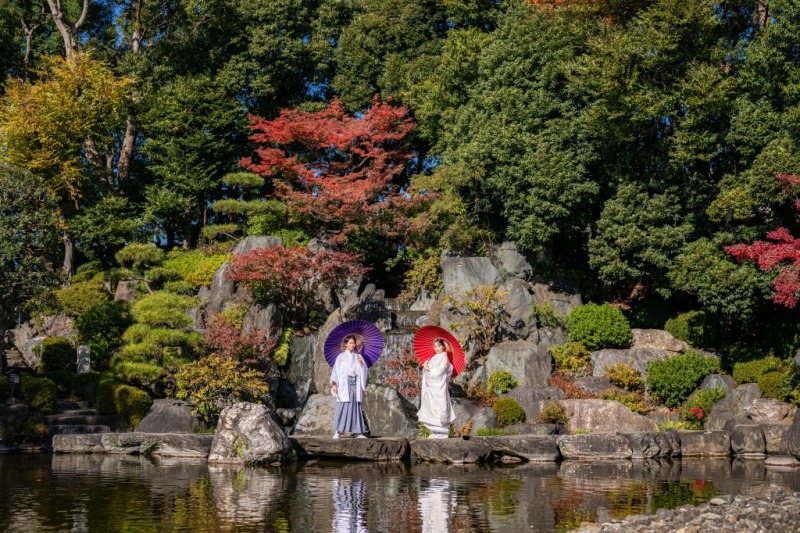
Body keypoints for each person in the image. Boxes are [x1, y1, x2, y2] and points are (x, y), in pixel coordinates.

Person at [330, 334, 368, 439]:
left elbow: (364, 370)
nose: (353, 345)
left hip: (355, 383)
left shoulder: (358, 356)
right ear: (345, 344)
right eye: (350, 343)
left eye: (354, 343)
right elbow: (335, 372)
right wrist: (334, 384)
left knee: (356, 406)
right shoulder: (340, 357)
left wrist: (361, 364)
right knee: (342, 406)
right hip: (343, 384)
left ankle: (358, 432)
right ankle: (338, 431)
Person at [417, 338, 455, 438]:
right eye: (435, 346)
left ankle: (442, 432)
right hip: (432, 388)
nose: (437, 348)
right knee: (431, 407)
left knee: (439, 407)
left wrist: (428, 368)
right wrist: (426, 365)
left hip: (439, 388)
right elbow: (429, 370)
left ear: (443, 347)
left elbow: (440, 372)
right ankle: (436, 432)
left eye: (439, 346)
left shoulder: (444, 357)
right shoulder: (434, 357)